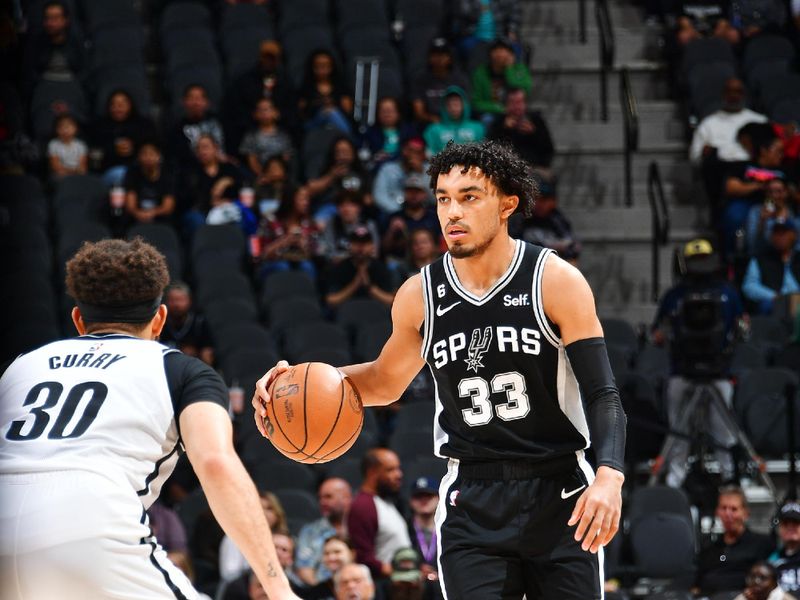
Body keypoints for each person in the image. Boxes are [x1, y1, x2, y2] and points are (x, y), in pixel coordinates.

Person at [254, 140, 626, 599]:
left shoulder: (554, 280)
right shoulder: (420, 294)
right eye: (443, 199)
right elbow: (385, 382)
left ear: (507, 203)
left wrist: (609, 475)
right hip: (472, 499)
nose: (452, 212)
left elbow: (603, 393)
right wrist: (293, 389)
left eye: (469, 197)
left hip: (559, 492)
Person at [0, 238, 299, 600]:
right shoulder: (184, 371)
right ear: (159, 320)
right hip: (89, 524)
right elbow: (217, 463)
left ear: (78, 319)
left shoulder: (20, 367)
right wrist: (278, 587)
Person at [650, 239, 745, 487]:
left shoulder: (727, 292)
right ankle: (675, 478)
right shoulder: (675, 295)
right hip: (682, 369)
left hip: (719, 370)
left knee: (723, 427)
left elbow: (743, 326)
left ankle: (729, 476)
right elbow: (657, 334)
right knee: (679, 429)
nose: (701, 265)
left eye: (705, 260)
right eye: (696, 261)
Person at [696, 485, 775, 596]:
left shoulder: (762, 544)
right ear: (717, 512)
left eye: (734, 509)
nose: (728, 514)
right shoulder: (708, 548)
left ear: (745, 513)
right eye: (724, 508)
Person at [346, 449, 412, 579]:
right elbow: (363, 556)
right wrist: (399, 573)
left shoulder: (385, 500)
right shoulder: (363, 506)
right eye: (390, 470)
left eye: (398, 468)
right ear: (372, 472)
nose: (399, 474)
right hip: (384, 586)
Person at [89, 89, 158, 186]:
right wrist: (113, 149)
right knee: (121, 174)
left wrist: (134, 147)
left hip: (140, 171)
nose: (118, 107)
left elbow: (153, 149)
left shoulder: (144, 125)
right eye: (114, 104)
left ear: (131, 105)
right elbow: (94, 155)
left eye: (123, 103)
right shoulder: (99, 126)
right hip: (108, 172)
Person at [220, 490, 291, 581]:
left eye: (269, 508)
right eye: (258, 508)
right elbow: (228, 574)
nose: (264, 513)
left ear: (277, 514)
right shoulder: (234, 538)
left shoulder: (285, 540)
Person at [254, 186, 321, 281]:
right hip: (272, 263)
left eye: (307, 199)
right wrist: (285, 241)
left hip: (300, 262)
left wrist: (303, 244)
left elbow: (317, 252)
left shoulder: (309, 223)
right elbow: (260, 254)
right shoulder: (270, 221)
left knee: (307, 267)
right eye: (302, 199)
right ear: (290, 200)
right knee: (282, 266)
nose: (306, 203)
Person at [296, 478, 354, 586]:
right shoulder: (310, 532)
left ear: (346, 498)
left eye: (328, 497)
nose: (322, 502)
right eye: (320, 498)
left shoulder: (360, 526)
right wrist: (323, 591)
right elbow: (304, 568)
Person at [323, 226, 397, 308]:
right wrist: (355, 284)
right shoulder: (340, 268)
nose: (360, 248)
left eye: (365, 243)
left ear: (372, 246)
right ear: (349, 245)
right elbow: (331, 300)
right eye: (356, 243)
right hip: (347, 315)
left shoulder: (381, 268)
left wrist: (369, 287)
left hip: (375, 315)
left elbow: (392, 301)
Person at [515, 175, 581, 264]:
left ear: (553, 202)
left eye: (544, 200)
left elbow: (573, 248)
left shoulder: (558, 221)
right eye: (536, 199)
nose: (539, 204)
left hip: (553, 267)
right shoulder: (522, 219)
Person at [743, 217, 800, 314]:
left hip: (798, 302)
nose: (780, 237)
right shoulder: (761, 258)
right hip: (774, 303)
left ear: (793, 235)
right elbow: (749, 286)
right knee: (767, 305)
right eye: (776, 232)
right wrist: (774, 296)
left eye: (784, 232)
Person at [488, 87, 555, 171]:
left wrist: (534, 133)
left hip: (535, 168)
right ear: (506, 105)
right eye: (513, 103)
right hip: (507, 169)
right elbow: (493, 150)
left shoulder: (536, 120)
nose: (517, 107)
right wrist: (505, 130)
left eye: (520, 102)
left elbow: (548, 149)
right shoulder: (499, 122)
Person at [168, 84, 226, 177]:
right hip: (195, 173)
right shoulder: (177, 129)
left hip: (222, 168)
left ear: (207, 102)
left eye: (199, 98)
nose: (196, 103)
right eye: (191, 98)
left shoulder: (219, 121)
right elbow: (181, 159)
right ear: (184, 102)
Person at [382, 173, 441, 264]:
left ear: (424, 194)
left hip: (430, 262)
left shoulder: (433, 217)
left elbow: (440, 245)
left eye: (417, 192)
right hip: (402, 263)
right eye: (410, 191)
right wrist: (392, 231)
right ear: (404, 193)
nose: (414, 195)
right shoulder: (395, 217)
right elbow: (383, 249)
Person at [411, 38, 471, 127]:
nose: (439, 59)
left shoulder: (460, 79)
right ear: (429, 58)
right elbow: (419, 112)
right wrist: (434, 120)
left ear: (450, 58)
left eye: (443, 55)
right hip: (430, 124)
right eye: (435, 55)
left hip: (457, 122)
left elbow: (466, 106)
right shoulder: (421, 80)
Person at [470, 38, 532, 122]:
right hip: (492, 113)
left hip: (516, 111)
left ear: (511, 54)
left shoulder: (520, 69)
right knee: (487, 119)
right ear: (490, 54)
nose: (499, 54)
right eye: (496, 50)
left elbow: (524, 91)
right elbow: (476, 102)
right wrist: (500, 109)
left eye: (503, 50)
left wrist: (509, 69)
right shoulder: (481, 72)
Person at [298, 49, 353, 136]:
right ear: (312, 67)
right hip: (313, 126)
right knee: (329, 113)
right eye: (318, 66)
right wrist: (323, 111)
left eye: (325, 66)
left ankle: (346, 140)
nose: (322, 70)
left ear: (331, 67)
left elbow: (348, 112)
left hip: (336, 123)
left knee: (332, 113)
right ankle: (350, 140)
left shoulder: (341, 88)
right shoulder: (306, 89)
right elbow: (302, 114)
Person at [159, 281, 215, 366]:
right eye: (172, 300)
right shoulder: (160, 323)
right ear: (166, 302)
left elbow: (207, 352)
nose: (176, 304)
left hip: (193, 367)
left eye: (181, 300)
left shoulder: (199, 323)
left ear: (189, 301)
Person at [373, 137, 431, 216]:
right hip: (394, 212)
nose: (413, 155)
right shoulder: (388, 169)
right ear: (403, 150)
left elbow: (434, 199)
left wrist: (421, 173)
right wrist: (401, 212)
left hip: (424, 213)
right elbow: (380, 196)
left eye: (418, 152)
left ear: (424, 154)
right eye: (410, 151)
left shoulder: (430, 170)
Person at [123, 140, 176, 226]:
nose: (148, 157)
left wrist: (152, 213)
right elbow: (130, 205)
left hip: (160, 218)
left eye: (152, 154)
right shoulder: (132, 174)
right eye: (144, 154)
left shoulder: (167, 175)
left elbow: (168, 207)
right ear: (139, 157)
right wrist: (138, 213)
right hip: (136, 218)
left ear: (159, 156)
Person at [321, 190, 381, 264]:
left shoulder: (368, 224)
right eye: (342, 205)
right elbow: (329, 254)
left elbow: (374, 254)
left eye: (350, 205)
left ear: (359, 208)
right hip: (339, 268)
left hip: (364, 266)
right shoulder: (332, 224)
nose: (346, 209)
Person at [239, 97, 293, 179]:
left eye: (267, 109)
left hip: (281, 176)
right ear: (255, 114)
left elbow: (286, 158)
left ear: (276, 113)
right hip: (260, 177)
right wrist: (263, 175)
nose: (264, 113)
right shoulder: (251, 136)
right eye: (260, 110)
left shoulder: (284, 135)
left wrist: (278, 174)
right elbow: (252, 161)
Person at [422, 86, 485, 155]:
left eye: (456, 104)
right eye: (449, 105)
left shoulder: (477, 128)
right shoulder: (433, 130)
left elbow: (481, 153)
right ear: (444, 107)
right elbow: (430, 153)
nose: (453, 108)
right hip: (441, 164)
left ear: (464, 105)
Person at [299, 535, 356, 600]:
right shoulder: (318, 591)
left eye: (337, 552)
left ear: (352, 554)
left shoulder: (366, 581)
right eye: (326, 553)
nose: (331, 557)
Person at [405, 477, 439, 581]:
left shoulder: (449, 529)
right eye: (418, 496)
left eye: (429, 495)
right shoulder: (403, 528)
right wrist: (415, 569)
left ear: (439, 498)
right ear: (411, 501)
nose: (424, 500)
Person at [770, 502, 800, 594]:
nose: (790, 527)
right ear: (779, 528)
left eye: (795, 523)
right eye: (786, 523)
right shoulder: (772, 560)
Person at [47, 113, 87, 178]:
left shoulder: (81, 145)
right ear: (57, 129)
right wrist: (72, 171)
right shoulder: (53, 144)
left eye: (68, 126)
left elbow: (83, 167)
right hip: (60, 175)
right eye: (62, 126)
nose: (65, 130)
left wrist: (76, 172)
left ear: (75, 128)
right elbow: (55, 166)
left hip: (77, 174)